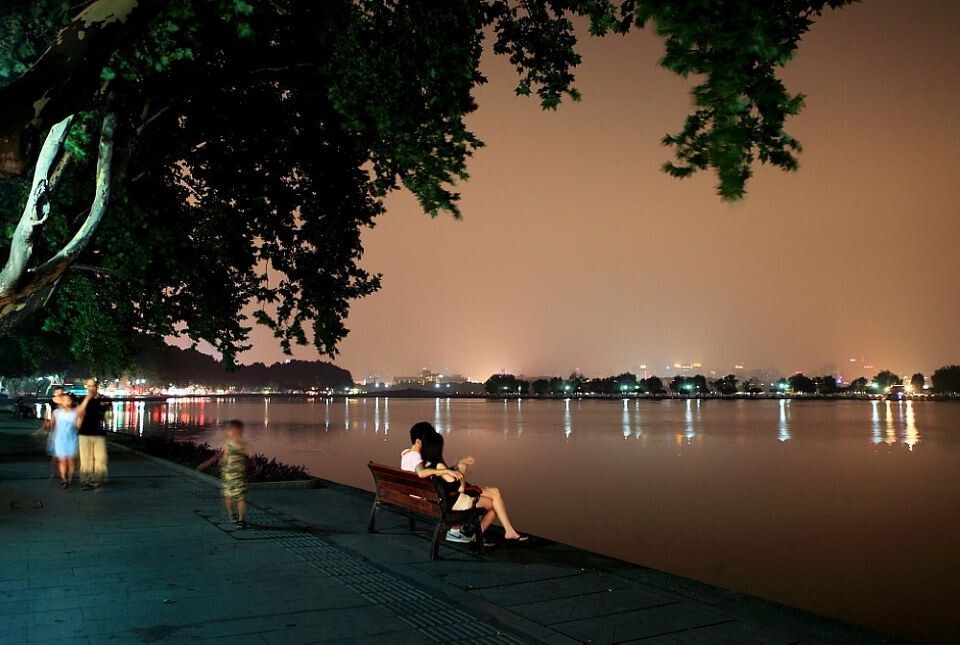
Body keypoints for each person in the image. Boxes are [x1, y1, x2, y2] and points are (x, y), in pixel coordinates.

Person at [420, 431, 529, 544]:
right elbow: (460, 488)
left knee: (495, 500)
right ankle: (495, 533)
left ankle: (505, 531)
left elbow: (447, 480)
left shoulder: (427, 465)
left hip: (445, 502)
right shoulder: (438, 465)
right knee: (495, 499)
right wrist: (462, 470)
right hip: (455, 503)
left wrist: (458, 466)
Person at [400, 422, 469, 543]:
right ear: (418, 441)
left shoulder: (406, 455)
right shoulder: (416, 456)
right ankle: (459, 531)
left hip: (411, 497)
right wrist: (446, 470)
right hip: (424, 500)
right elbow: (421, 473)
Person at [198, 419, 249, 529]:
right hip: (231, 476)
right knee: (232, 497)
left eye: (232, 431)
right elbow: (227, 458)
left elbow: (228, 458)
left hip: (237, 477)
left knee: (239, 498)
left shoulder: (237, 444)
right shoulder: (235, 444)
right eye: (230, 431)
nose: (231, 433)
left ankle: (239, 519)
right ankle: (234, 515)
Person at [76, 378, 111, 490]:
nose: (92, 388)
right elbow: (79, 412)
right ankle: (87, 479)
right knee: (86, 458)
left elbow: (108, 415)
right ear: (86, 386)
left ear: (97, 386)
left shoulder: (104, 400)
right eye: (89, 386)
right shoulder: (81, 399)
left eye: (94, 386)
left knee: (101, 457)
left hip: (99, 432)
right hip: (84, 432)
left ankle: (97, 479)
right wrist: (87, 398)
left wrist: (107, 422)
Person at [50, 392, 80, 488]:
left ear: (71, 401)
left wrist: (81, 418)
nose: (66, 402)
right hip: (60, 439)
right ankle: (64, 479)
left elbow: (78, 426)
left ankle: (70, 477)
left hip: (72, 439)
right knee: (62, 460)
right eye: (63, 400)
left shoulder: (75, 413)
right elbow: (52, 425)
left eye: (68, 400)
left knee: (70, 460)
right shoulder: (56, 412)